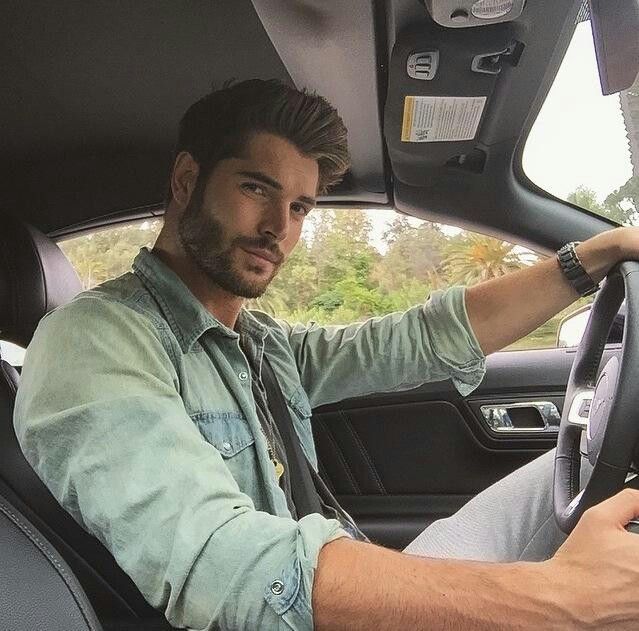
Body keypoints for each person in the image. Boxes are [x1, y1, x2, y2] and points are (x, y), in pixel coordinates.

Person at [13, 78, 639, 630]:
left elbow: (419, 339)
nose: (277, 228)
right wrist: (556, 600)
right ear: (185, 180)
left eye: (299, 207)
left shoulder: (255, 345)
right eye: (256, 188)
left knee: (598, 469)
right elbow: (224, 566)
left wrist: (595, 255)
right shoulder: (92, 343)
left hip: (346, 584)